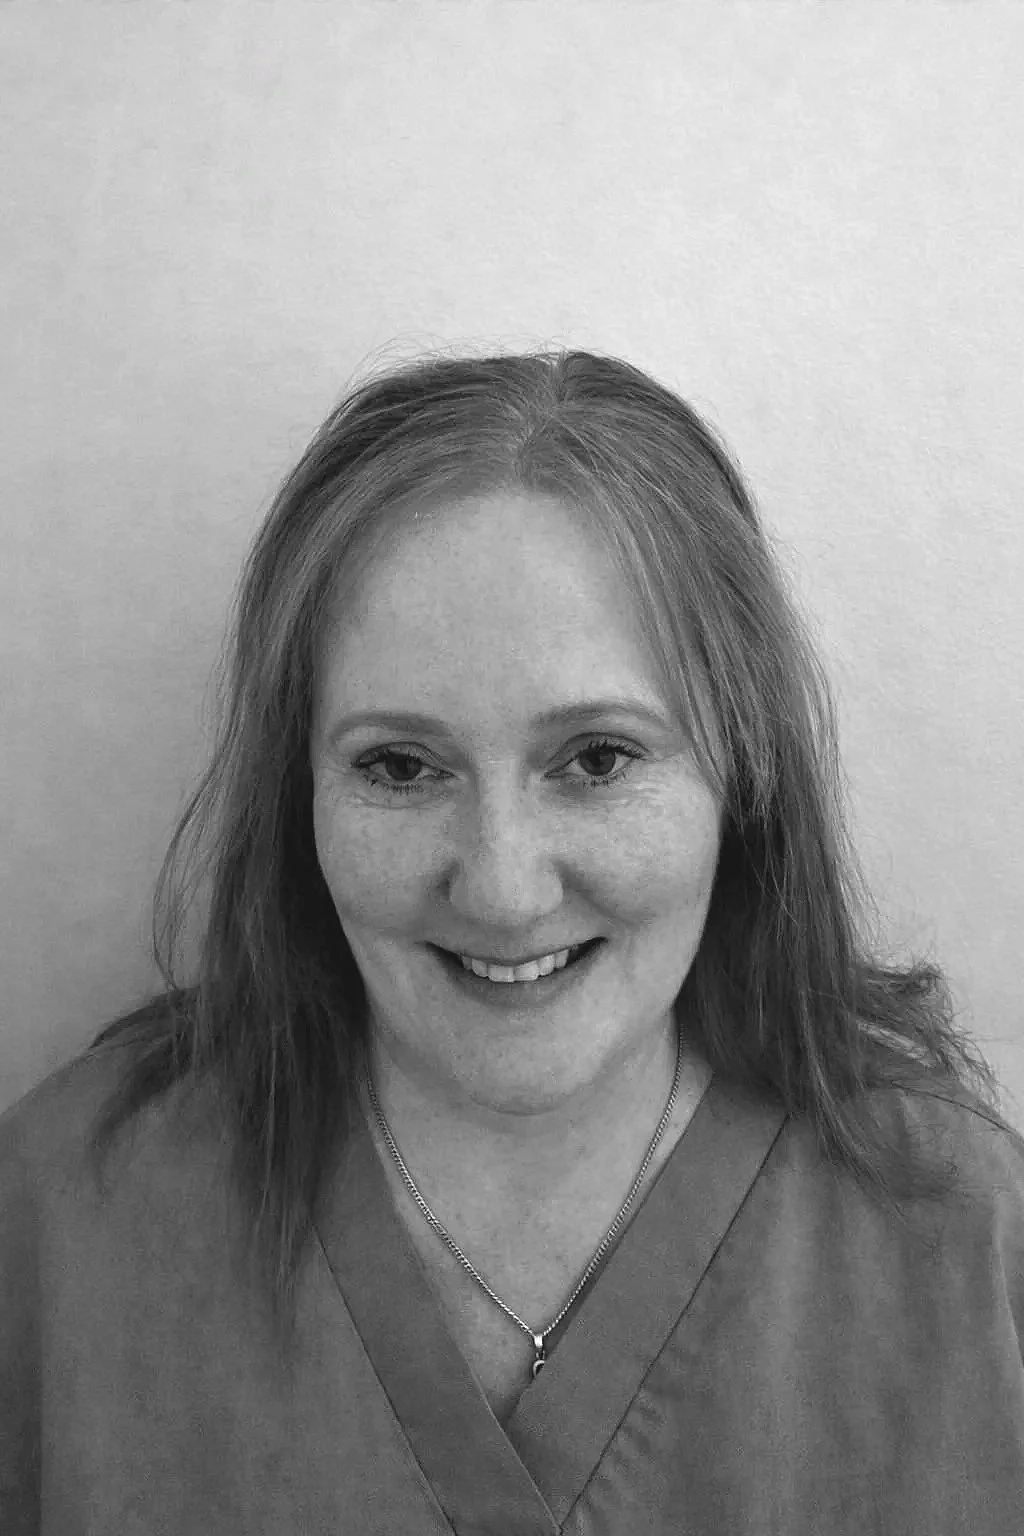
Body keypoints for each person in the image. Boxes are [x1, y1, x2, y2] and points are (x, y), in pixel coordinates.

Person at [1, 348, 1022, 1534]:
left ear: (743, 774)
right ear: (298, 795)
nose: (501, 888)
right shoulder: (64, 1222)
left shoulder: (967, 1247)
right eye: (400, 766)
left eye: (598, 758)